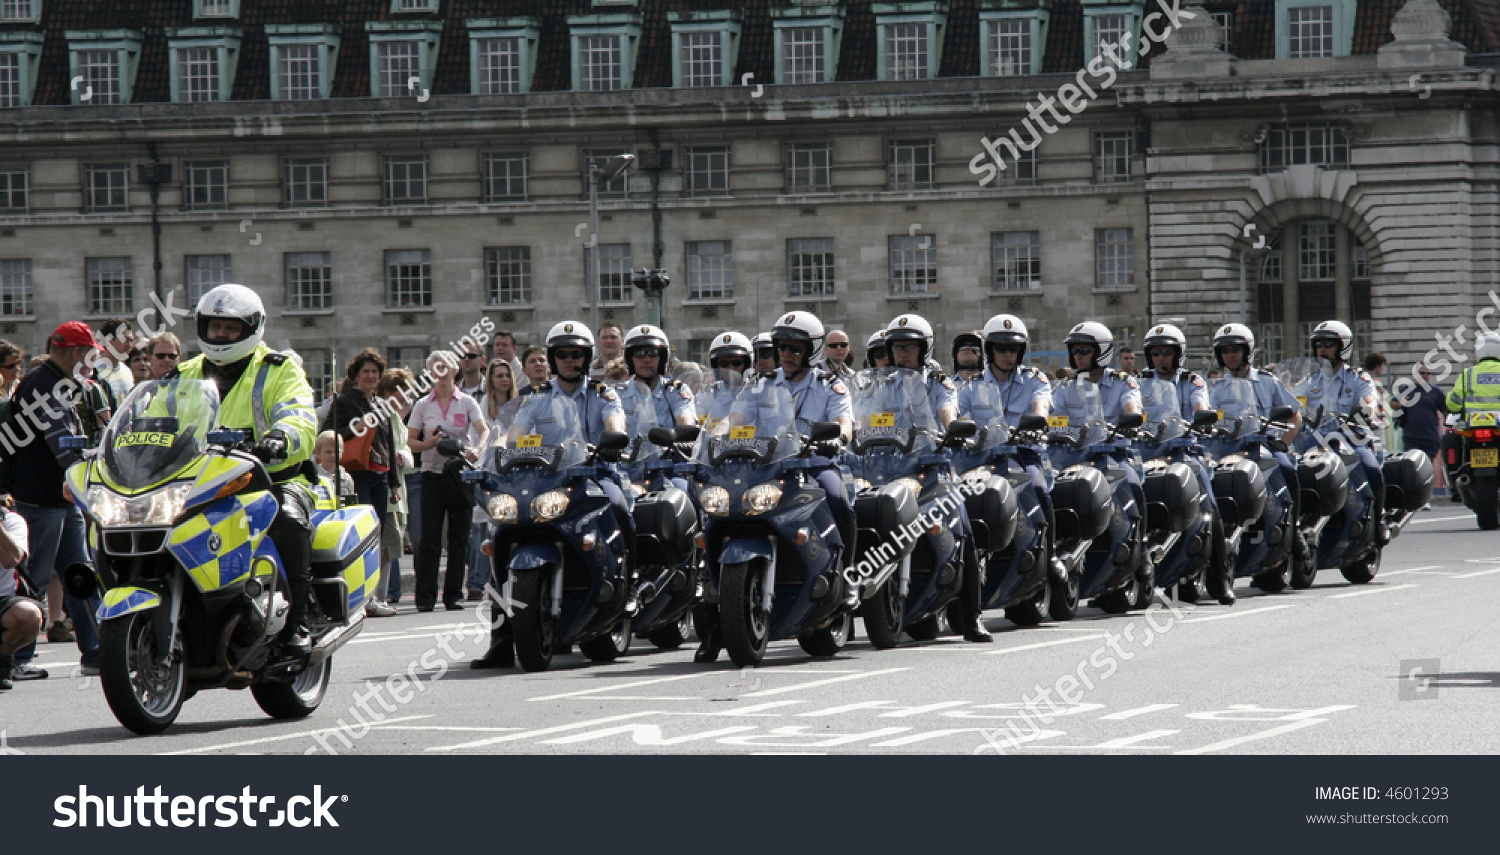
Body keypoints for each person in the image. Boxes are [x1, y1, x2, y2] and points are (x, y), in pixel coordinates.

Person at [696, 312, 854, 663]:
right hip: (764, 470)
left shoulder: (830, 385)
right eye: (782, 348)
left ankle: (847, 579)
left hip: (813, 466)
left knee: (837, 498)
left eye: (795, 349)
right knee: (712, 518)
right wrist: (713, 440)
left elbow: (844, 421)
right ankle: (711, 618)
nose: (786, 354)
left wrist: (839, 439)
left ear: (811, 351)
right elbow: (734, 420)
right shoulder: (760, 385)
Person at [472, 322, 627, 670]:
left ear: (587, 358)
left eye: (576, 355)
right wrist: (492, 452)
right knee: (501, 537)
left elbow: (616, 427)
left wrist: (611, 441)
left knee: (618, 504)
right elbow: (512, 434)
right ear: (553, 360)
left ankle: (625, 589)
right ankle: (501, 641)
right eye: (563, 355)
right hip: (544, 481)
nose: (570, 361)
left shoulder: (604, 394)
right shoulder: (536, 399)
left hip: (594, 476)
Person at [175, 285, 320, 657]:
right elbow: (154, 421)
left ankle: (299, 623)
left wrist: (280, 438)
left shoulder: (278, 368)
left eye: (231, 328)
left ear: (251, 328)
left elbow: (299, 414)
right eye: (214, 326)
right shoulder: (184, 374)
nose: (220, 335)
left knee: (286, 519)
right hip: (202, 483)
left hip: (274, 478)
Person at [886, 313, 991, 642]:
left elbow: (948, 411)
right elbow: (864, 418)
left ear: (924, 349)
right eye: (898, 347)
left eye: (910, 347)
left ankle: (972, 617)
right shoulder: (881, 384)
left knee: (964, 531)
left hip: (933, 469)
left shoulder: (939, 382)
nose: (903, 353)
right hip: (890, 470)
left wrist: (951, 429)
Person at [8, 321, 103, 679]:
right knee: (36, 577)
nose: (92, 361)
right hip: (43, 498)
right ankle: (18, 658)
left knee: (80, 574)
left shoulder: (52, 381)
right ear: (76, 352)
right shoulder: (43, 385)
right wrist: (96, 460)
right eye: (90, 353)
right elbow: (63, 445)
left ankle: (96, 651)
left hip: (61, 496)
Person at [957, 314, 1068, 583]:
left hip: (1022, 454)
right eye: (1001, 348)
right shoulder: (971, 385)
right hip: (980, 458)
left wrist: (1037, 420)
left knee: (1039, 487)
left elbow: (1041, 406)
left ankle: (1051, 554)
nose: (1008, 354)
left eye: (1014, 349)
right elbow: (958, 416)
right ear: (988, 350)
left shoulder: (1035, 379)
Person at [1211, 323, 1309, 574]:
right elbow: (1208, 421)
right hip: (1231, 448)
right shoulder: (1216, 388)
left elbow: (1294, 415)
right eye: (1225, 351)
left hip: (1265, 446)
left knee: (1287, 468)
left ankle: (1294, 527)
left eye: (1235, 349)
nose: (1230, 355)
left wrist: (1283, 442)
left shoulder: (1267, 381)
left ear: (1248, 351)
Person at [407, 351, 488, 613]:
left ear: (454, 371)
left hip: (458, 475)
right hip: (431, 474)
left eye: (446, 369)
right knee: (429, 539)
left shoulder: (466, 401)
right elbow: (410, 442)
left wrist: (477, 449)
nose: (442, 375)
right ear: (431, 373)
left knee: (458, 537)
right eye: (436, 369)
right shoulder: (422, 404)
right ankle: (425, 597)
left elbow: (483, 430)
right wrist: (428, 443)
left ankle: (454, 595)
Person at [1307, 321, 1388, 545]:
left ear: (1343, 347)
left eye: (1328, 344)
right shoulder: (1310, 382)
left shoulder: (1358, 378)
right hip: (1316, 442)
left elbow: (1370, 400)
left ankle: (1379, 519)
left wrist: (1367, 408)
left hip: (1351, 439)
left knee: (1371, 467)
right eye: (1319, 345)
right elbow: (1296, 405)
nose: (1322, 349)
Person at [323, 349, 402, 577]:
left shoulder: (383, 405)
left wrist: (394, 483)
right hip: (357, 474)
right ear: (356, 375)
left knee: (377, 534)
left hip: (381, 475)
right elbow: (327, 433)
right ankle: (360, 586)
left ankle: (374, 591)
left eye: (374, 372)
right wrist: (353, 430)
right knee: (363, 532)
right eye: (365, 371)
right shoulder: (345, 402)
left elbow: (390, 444)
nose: (370, 376)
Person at [1444, 331, 1500, 503]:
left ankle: (1456, 479)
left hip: (1473, 425)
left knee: (1452, 438)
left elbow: (1453, 401)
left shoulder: (1468, 374)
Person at [379, 367, 418, 607]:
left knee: (388, 548)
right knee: (383, 547)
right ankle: (376, 597)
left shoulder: (397, 419)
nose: (405, 397)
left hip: (397, 487)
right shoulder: (383, 415)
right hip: (385, 488)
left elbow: (405, 450)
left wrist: (403, 457)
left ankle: (379, 597)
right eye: (400, 391)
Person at [1053, 322, 1142, 424]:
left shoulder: (1122, 383)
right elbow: (1053, 412)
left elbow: (1132, 404)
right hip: (1079, 440)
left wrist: (1132, 417)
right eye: (1074, 351)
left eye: (1084, 351)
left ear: (1102, 351)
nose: (1078, 356)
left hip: (1114, 439)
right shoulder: (1066, 386)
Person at [617, 324, 698, 432]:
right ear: (629, 359)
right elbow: (613, 424)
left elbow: (686, 418)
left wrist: (686, 430)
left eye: (653, 353)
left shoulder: (675, 391)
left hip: (667, 448)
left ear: (663, 358)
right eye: (639, 353)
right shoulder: (618, 394)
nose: (646, 359)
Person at [0, 498, 41, 691]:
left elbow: (11, 559)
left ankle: (3, 657)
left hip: (3, 600)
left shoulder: (12, 521)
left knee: (29, 616)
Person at [1392, 364, 1445, 509]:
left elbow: (1445, 408)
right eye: (1422, 372)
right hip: (1411, 435)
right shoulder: (1407, 389)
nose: (1425, 375)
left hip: (1430, 436)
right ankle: (1413, 498)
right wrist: (1403, 402)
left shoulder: (1435, 391)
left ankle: (1425, 498)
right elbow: (1393, 403)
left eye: (1428, 373)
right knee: (1412, 468)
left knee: (1427, 468)